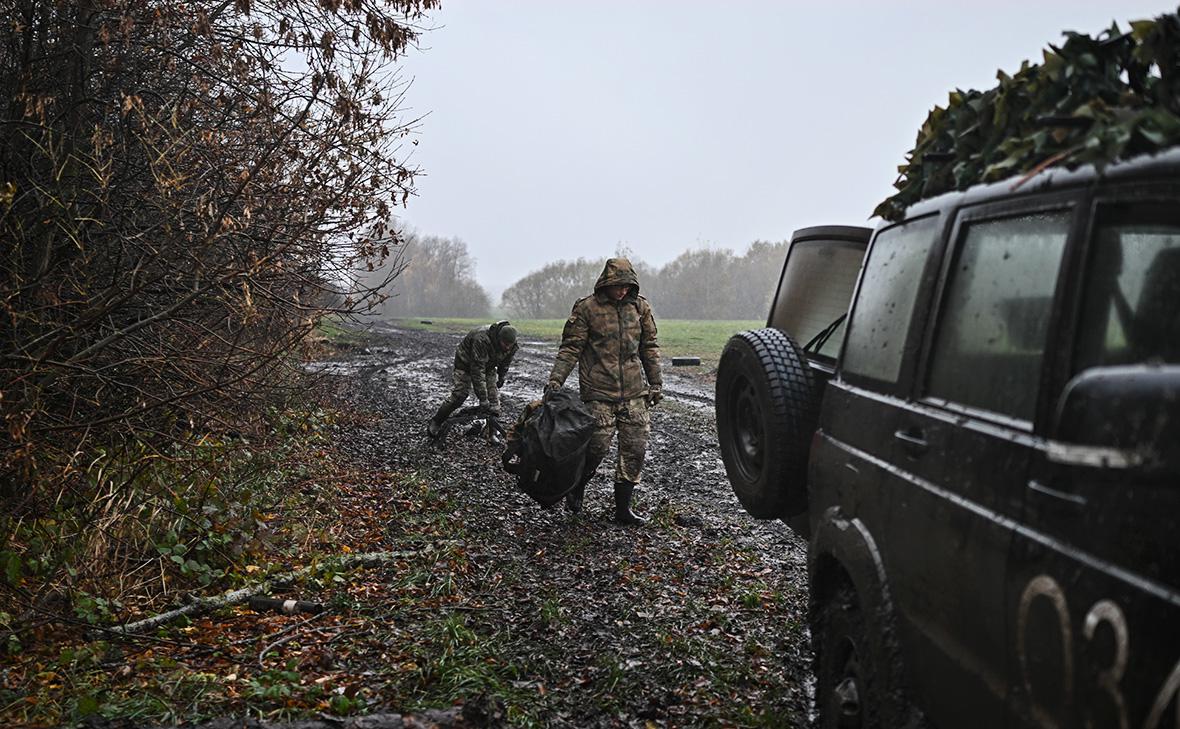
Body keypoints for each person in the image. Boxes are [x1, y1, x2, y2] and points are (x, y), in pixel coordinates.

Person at [545, 258, 662, 524]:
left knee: (635, 450)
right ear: (606, 284)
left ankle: (623, 510)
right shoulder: (587, 308)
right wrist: (556, 380)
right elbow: (571, 348)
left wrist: (656, 383)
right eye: (617, 286)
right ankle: (576, 488)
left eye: (626, 286)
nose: (622, 291)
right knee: (595, 449)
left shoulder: (639, 307)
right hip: (598, 391)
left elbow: (649, 346)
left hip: (634, 391)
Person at [427, 321, 518, 438]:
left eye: (509, 344)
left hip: (488, 366)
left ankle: (490, 433)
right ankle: (437, 421)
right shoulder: (481, 339)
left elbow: (506, 362)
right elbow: (477, 371)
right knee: (460, 394)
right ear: (498, 338)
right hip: (465, 363)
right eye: (505, 344)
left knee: (494, 403)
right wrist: (482, 399)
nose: (507, 347)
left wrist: (501, 376)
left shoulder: (512, 344)